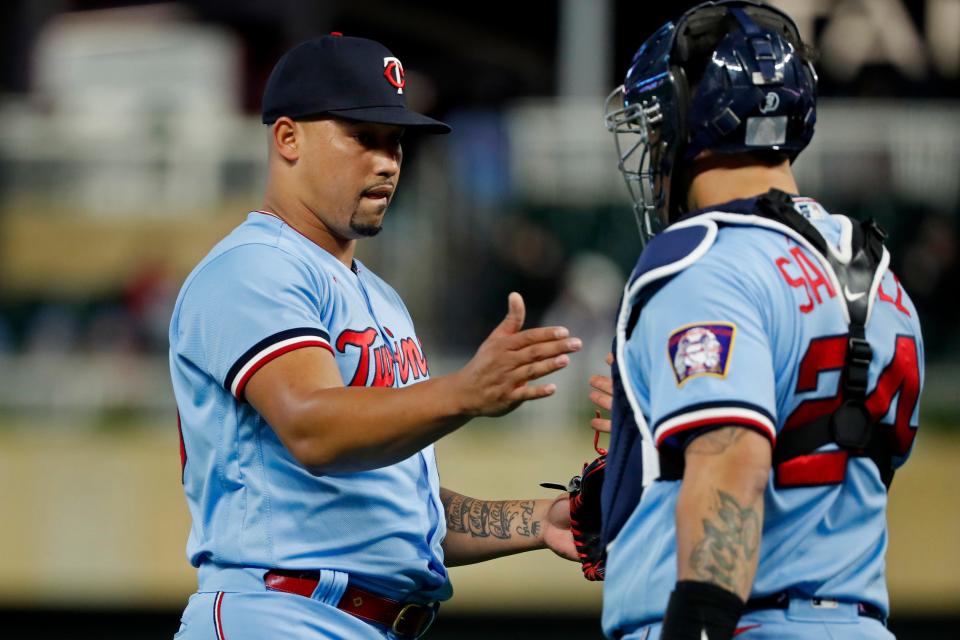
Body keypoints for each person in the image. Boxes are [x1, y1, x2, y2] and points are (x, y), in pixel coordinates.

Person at [168, 34, 581, 640]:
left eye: (395, 141)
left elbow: (397, 506)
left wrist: (540, 519)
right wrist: (465, 392)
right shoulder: (254, 266)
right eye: (362, 137)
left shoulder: (380, 298)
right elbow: (313, 426)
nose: (387, 161)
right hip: (282, 614)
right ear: (288, 138)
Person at [591, 2, 924, 639]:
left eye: (656, 122)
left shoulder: (701, 259)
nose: (653, 142)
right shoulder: (877, 272)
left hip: (743, 623)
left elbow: (733, 463)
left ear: (689, 120)